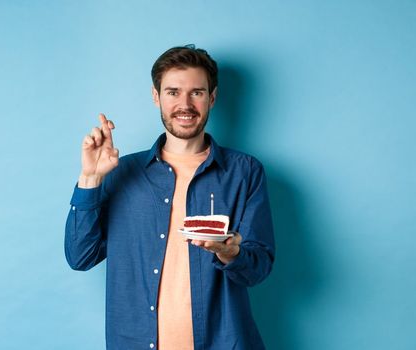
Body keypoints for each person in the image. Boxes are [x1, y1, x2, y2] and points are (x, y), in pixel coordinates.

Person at [64, 45, 275, 350]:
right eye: (173, 92)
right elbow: (80, 257)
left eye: (197, 93)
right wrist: (90, 179)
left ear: (212, 98)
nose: (185, 104)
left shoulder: (245, 172)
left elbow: (259, 267)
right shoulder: (122, 173)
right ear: (156, 96)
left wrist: (229, 253)